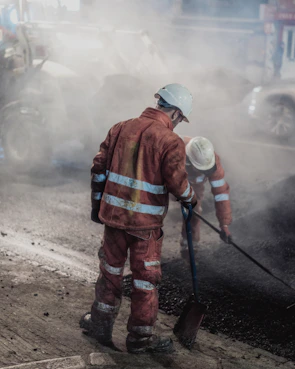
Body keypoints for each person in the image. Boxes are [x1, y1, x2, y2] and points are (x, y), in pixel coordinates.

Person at [80, 83, 198, 354]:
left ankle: (100, 325)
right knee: (145, 280)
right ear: (177, 114)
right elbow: (178, 185)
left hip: (113, 218)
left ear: (159, 103)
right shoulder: (171, 141)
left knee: (110, 271)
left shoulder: (120, 127)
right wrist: (191, 199)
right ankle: (139, 340)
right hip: (145, 227)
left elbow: (98, 169)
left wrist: (97, 206)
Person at [179, 136, 232, 260]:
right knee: (155, 212)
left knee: (195, 212)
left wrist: (224, 225)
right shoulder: (173, 151)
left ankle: (189, 246)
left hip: (193, 186)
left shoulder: (211, 160)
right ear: (190, 163)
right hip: (166, 183)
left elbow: (221, 194)